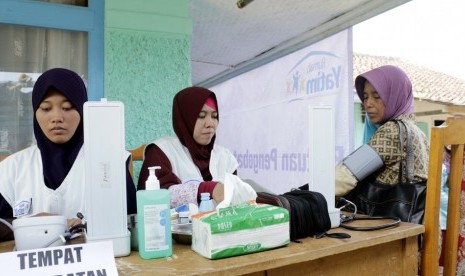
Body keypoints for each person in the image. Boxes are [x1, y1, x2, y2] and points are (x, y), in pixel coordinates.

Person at [0, 68, 137, 241]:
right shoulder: (12, 169)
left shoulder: (110, 162)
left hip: (94, 264)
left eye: (67, 107)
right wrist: (28, 224)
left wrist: (89, 225)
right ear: (35, 113)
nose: (57, 117)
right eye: (46, 108)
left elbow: (132, 221)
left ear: (82, 111)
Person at [137, 86, 239, 208]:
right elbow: (152, 200)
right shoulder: (161, 152)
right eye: (201, 116)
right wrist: (208, 189)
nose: (210, 124)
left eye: (214, 116)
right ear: (184, 118)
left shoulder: (224, 156)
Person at [336, 65, 429, 196]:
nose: (368, 104)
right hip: (411, 215)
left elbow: (343, 177)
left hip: (387, 215)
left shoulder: (393, 130)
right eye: (365, 96)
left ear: (395, 96)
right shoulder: (418, 132)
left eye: (377, 96)